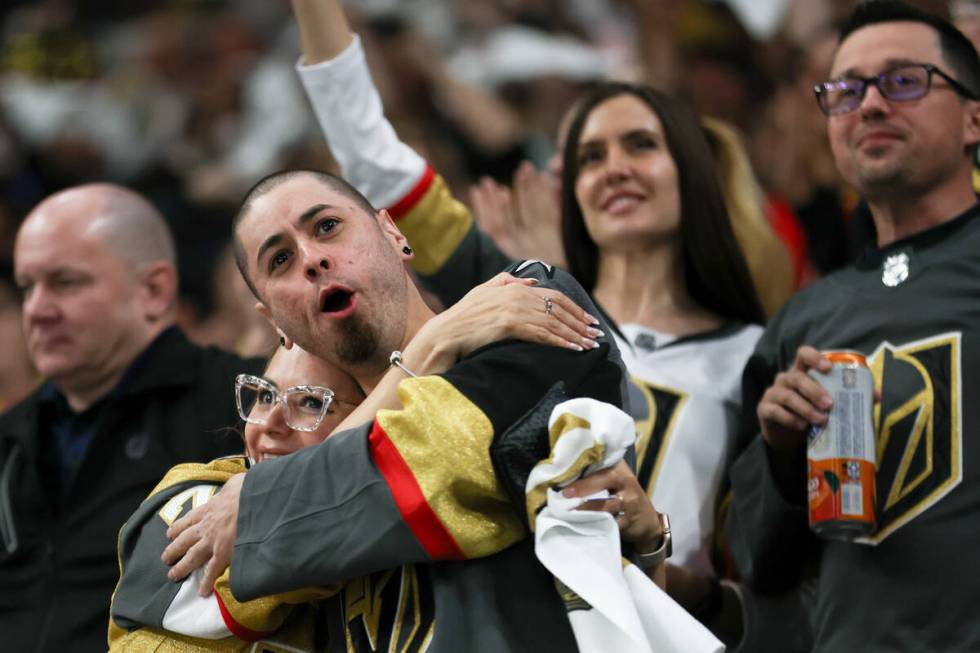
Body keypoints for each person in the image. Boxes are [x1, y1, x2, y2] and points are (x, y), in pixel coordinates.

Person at [286, 1, 767, 646]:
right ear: (567, 186)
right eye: (590, 157)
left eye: (642, 145)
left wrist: (655, 545)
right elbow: (366, 153)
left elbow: (767, 587)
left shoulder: (753, 354)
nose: (615, 168)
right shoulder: (522, 306)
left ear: (695, 169)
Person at [155, 167, 672, 651]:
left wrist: (265, 505)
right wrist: (427, 351)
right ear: (276, 323)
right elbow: (171, 583)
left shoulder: (527, 304)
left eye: (328, 226)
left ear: (392, 233)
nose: (312, 258)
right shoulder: (292, 446)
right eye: (280, 261)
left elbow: (436, 470)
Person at [110, 274, 631, 650]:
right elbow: (285, 544)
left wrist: (649, 544)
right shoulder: (195, 496)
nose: (269, 422)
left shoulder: (388, 515)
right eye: (263, 394)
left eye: (311, 404)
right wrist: (430, 347)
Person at [726, 2, 980, 651]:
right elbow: (757, 561)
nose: (869, 105)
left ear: (975, 115)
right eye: (845, 90)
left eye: (903, 81)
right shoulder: (802, 320)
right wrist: (783, 456)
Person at [0, 183, 264, 653]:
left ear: (154, 290)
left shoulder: (246, 405)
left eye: (65, 282)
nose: (37, 310)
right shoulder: (11, 439)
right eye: (27, 287)